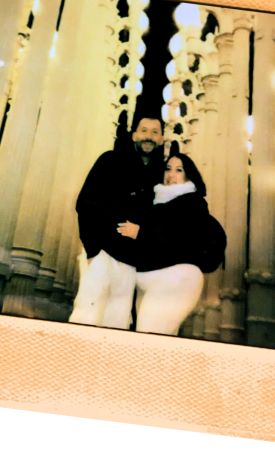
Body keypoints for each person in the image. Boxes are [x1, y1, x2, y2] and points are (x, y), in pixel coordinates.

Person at [69, 106, 166, 329]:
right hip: (102, 253)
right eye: (143, 130)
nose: (148, 137)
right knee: (86, 317)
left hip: (132, 264)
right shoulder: (110, 161)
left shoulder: (161, 177)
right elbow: (84, 203)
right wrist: (93, 250)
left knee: (117, 323)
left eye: (154, 132)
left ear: (161, 139)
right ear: (134, 135)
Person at [128, 151, 226, 335]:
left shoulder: (193, 202)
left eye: (178, 170)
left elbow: (180, 239)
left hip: (176, 278)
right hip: (153, 278)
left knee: (148, 339)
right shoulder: (158, 202)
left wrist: (141, 233)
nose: (170, 175)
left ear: (188, 175)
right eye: (168, 169)